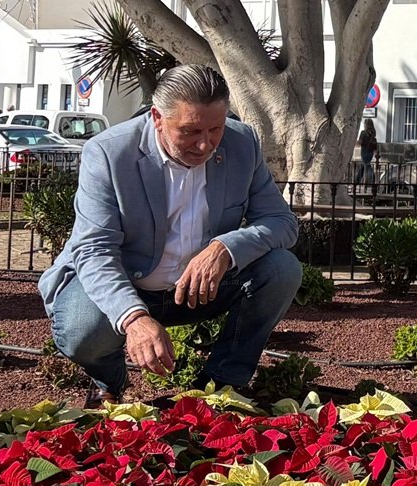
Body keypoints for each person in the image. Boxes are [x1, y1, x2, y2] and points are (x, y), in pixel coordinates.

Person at [38, 65, 302, 405]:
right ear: (157, 118)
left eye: (216, 128)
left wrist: (225, 247)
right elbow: (94, 251)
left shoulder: (242, 143)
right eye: (190, 131)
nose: (206, 144)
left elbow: (281, 222)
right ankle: (110, 384)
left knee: (282, 268)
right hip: (127, 284)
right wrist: (133, 318)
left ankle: (222, 385)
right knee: (80, 329)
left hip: (199, 290)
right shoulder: (108, 153)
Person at [355, 116, 379, 185]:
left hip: (364, 152)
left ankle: (372, 181)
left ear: (366, 124)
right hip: (370, 153)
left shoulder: (363, 133)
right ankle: (357, 180)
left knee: (367, 166)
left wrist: (354, 143)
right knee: (364, 166)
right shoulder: (373, 134)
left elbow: (360, 142)